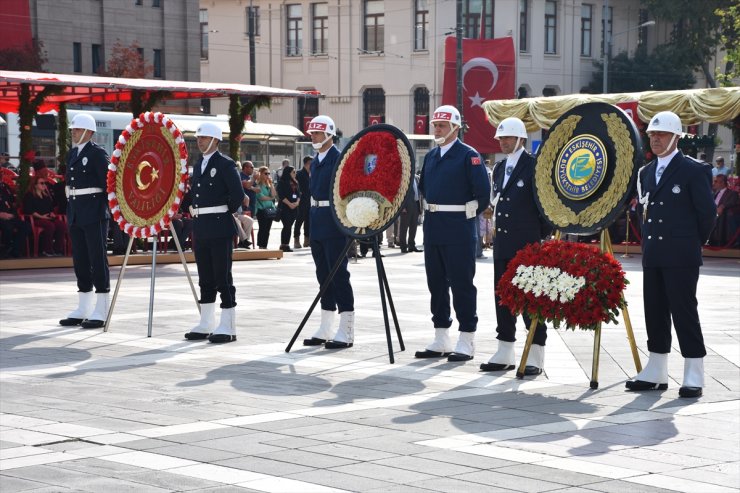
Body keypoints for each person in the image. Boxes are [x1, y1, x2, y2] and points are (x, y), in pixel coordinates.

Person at [627, 111, 716, 398]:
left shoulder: (694, 170)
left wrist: (691, 243)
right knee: (655, 312)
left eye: (662, 134)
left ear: (676, 137)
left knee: (684, 312)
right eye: (652, 134)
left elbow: (707, 215)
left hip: (681, 254)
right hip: (654, 253)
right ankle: (656, 369)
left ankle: (693, 372)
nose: (655, 138)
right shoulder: (645, 172)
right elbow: (645, 212)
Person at [415, 105, 491, 362]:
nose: (437, 129)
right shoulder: (432, 156)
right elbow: (425, 189)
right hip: (434, 228)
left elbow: (482, 194)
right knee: (435, 284)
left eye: (442, 125)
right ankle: (441, 337)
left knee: (461, 284)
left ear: (456, 128)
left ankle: (466, 338)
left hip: (458, 228)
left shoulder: (468, 155)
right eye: (435, 124)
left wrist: (468, 212)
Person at [480, 117, 551, 375]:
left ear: (520, 138)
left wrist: (538, 237)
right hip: (504, 244)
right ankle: (505, 349)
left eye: (507, 138)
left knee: (531, 300)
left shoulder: (534, 166)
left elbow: (545, 207)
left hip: (527, 244)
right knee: (503, 297)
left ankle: (535, 354)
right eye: (500, 138)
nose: (503, 141)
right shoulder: (499, 168)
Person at [183, 122, 245, 344]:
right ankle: (206, 322)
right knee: (205, 277)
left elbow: (237, 195)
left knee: (222, 276)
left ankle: (228, 325)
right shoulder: (199, 165)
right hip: (201, 227)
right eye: (199, 138)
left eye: (205, 138)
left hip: (219, 226)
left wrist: (221, 210)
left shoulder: (225, 164)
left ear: (216, 140)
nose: (200, 141)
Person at [302, 115, 356, 349]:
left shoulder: (339, 158)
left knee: (339, 276)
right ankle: (326, 325)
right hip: (317, 222)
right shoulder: (316, 160)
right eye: (311, 133)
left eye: (317, 133)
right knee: (323, 275)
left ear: (329, 135)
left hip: (334, 223)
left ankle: (346, 327)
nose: (313, 136)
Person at [59, 113, 111, 329]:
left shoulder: (97, 154)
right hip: (77, 212)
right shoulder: (72, 153)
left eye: (78, 130)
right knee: (80, 259)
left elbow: (108, 185)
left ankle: (101, 308)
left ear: (89, 132)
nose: (74, 133)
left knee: (97, 259)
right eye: (73, 130)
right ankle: (83, 306)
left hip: (94, 212)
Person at [22, 174, 65, 256]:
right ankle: (47, 250)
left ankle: (57, 249)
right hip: (36, 219)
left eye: (45, 183)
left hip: (47, 218)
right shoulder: (29, 196)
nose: (44, 185)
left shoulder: (46, 196)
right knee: (50, 225)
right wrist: (42, 217)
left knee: (61, 225)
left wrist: (51, 214)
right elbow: (29, 211)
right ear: (35, 185)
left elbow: (51, 209)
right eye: (41, 183)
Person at [0, 175, 30, 258]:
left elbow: (12, 202)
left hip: (10, 215)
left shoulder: (5, 187)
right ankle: (5, 249)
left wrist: (17, 192)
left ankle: (14, 249)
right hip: (1, 218)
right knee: (8, 227)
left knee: (26, 226)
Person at [709, 174, 739, 247]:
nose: (714, 183)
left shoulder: (732, 193)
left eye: (716, 181)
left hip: (723, 218)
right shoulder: (714, 193)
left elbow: (732, 201)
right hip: (713, 217)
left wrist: (722, 206)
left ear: (722, 182)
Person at [253, 165, 278, 249]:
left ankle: (265, 245)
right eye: (265, 173)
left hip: (270, 210)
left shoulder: (269, 184)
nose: (267, 175)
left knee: (267, 230)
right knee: (262, 228)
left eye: (269, 173)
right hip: (261, 210)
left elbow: (274, 195)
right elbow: (261, 197)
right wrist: (270, 198)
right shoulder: (258, 185)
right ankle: (261, 245)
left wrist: (271, 184)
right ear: (260, 174)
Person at [276, 165, 300, 252]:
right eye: (293, 172)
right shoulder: (282, 182)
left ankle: (287, 244)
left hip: (294, 208)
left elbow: (298, 194)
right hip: (285, 207)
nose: (295, 173)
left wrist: (297, 202)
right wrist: (289, 204)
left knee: (290, 226)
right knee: (287, 225)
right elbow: (281, 196)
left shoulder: (295, 182)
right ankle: (284, 244)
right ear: (288, 173)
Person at [398, 172, 422, 253]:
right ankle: (403, 247)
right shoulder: (404, 177)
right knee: (404, 228)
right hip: (406, 206)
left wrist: (419, 207)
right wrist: (402, 207)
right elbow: (400, 193)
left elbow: (419, 192)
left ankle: (412, 245)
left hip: (415, 204)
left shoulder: (416, 178)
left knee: (413, 227)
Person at [293, 155, 312, 249]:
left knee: (308, 220)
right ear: (307, 164)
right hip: (301, 200)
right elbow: (296, 188)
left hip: (310, 200)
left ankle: (307, 240)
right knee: (299, 220)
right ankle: (296, 239)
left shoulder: (312, 174)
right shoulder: (300, 174)